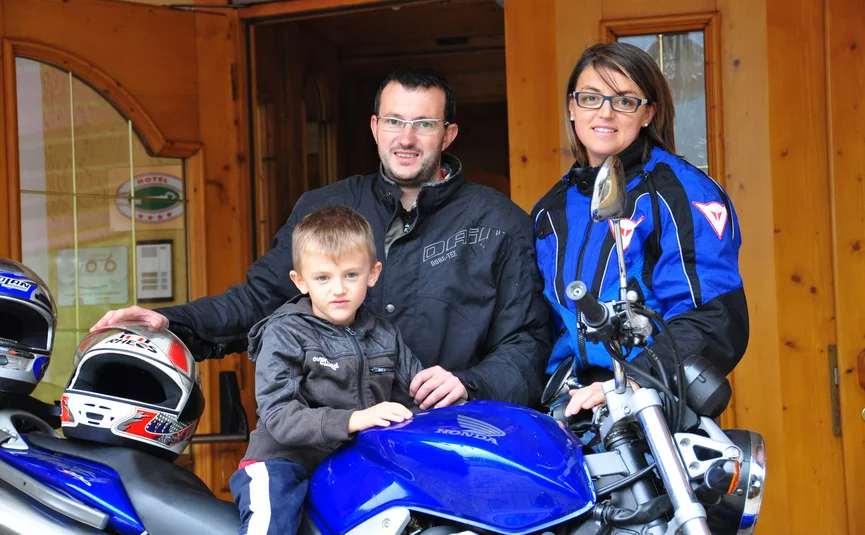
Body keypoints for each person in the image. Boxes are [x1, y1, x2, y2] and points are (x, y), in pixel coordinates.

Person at [93, 67, 550, 407]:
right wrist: (172, 322)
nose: (406, 138)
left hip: (445, 436)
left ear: (447, 134)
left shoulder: (499, 222)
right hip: (331, 441)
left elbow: (527, 341)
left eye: (423, 124)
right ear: (374, 128)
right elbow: (262, 299)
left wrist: (469, 383)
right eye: (394, 121)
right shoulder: (323, 206)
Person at [531, 42, 748, 417]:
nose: (605, 113)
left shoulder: (680, 191)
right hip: (570, 411)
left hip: (651, 406)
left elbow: (712, 314)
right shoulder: (549, 211)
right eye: (590, 98)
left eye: (625, 101)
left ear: (648, 113)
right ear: (571, 107)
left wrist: (636, 379)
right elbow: (540, 329)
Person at [230, 205, 464, 535]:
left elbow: (418, 398)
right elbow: (279, 416)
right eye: (323, 277)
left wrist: (448, 401)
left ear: (373, 273)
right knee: (272, 519)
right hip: (283, 461)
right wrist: (354, 419)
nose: (338, 289)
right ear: (300, 282)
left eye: (351, 275)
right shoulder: (284, 333)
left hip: (355, 459)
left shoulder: (385, 334)